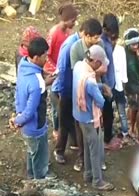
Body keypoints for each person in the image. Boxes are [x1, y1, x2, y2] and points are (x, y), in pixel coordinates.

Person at [11, 37, 56, 180]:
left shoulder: (23, 66)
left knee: (31, 151)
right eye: (44, 56)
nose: (46, 59)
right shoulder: (37, 83)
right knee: (39, 155)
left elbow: (18, 92)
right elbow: (31, 111)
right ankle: (39, 180)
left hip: (25, 124)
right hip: (35, 126)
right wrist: (18, 120)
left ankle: (31, 175)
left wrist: (18, 115)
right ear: (36, 57)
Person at [72, 44, 114, 190]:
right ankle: (97, 181)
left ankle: (88, 173)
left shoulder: (79, 66)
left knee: (87, 144)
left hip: (79, 114)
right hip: (89, 117)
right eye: (100, 64)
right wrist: (103, 91)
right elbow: (100, 101)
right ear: (96, 62)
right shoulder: (89, 80)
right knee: (95, 148)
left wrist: (100, 86)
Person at [68, 18, 104, 172]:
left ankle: (94, 163)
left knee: (96, 132)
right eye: (95, 37)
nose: (98, 40)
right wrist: (95, 73)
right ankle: (83, 159)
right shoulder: (75, 49)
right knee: (83, 131)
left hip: (95, 90)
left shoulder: (99, 46)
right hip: (81, 95)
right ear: (87, 36)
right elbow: (77, 73)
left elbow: (104, 69)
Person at [53, 20, 87, 165]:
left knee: (76, 122)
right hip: (66, 90)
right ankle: (59, 151)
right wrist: (62, 92)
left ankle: (78, 149)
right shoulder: (69, 46)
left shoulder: (80, 43)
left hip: (74, 88)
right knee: (64, 123)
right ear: (85, 34)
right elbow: (61, 71)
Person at [45, 3, 78, 141]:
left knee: (63, 103)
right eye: (73, 20)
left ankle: (64, 129)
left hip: (63, 71)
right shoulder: (54, 33)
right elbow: (46, 55)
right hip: (54, 72)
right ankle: (57, 129)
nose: (74, 23)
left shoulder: (68, 33)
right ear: (66, 19)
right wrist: (56, 71)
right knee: (55, 103)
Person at [101, 13, 123, 150]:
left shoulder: (108, 41)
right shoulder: (102, 43)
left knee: (109, 111)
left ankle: (107, 135)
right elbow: (102, 67)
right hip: (106, 84)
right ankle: (107, 140)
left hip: (110, 81)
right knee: (107, 112)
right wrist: (106, 86)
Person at [123, 28, 139, 144]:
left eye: (137, 44)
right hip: (131, 87)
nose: (136, 46)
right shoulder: (126, 55)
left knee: (133, 108)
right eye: (133, 44)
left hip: (134, 85)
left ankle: (132, 129)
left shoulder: (133, 53)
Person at [112, 34, 129, 143]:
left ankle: (125, 132)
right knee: (110, 111)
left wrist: (123, 82)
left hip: (118, 85)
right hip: (110, 85)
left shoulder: (120, 50)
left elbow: (123, 66)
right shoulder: (105, 48)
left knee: (121, 111)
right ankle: (113, 132)